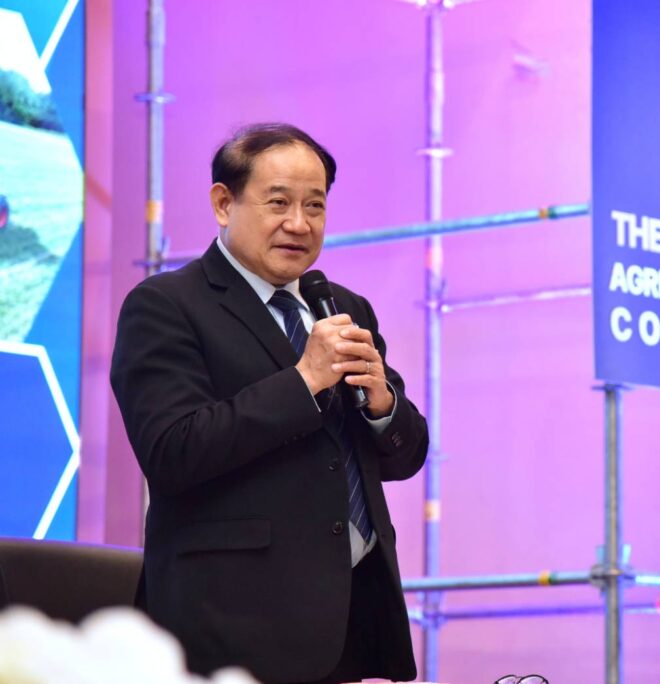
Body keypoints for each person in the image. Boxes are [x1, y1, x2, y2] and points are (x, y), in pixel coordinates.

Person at [110, 123, 428, 684]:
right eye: (278, 202)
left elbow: (404, 457)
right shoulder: (165, 305)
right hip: (227, 628)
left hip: (346, 621)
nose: (299, 224)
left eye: (315, 206)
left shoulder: (342, 307)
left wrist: (382, 405)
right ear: (223, 203)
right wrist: (304, 381)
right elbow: (172, 450)